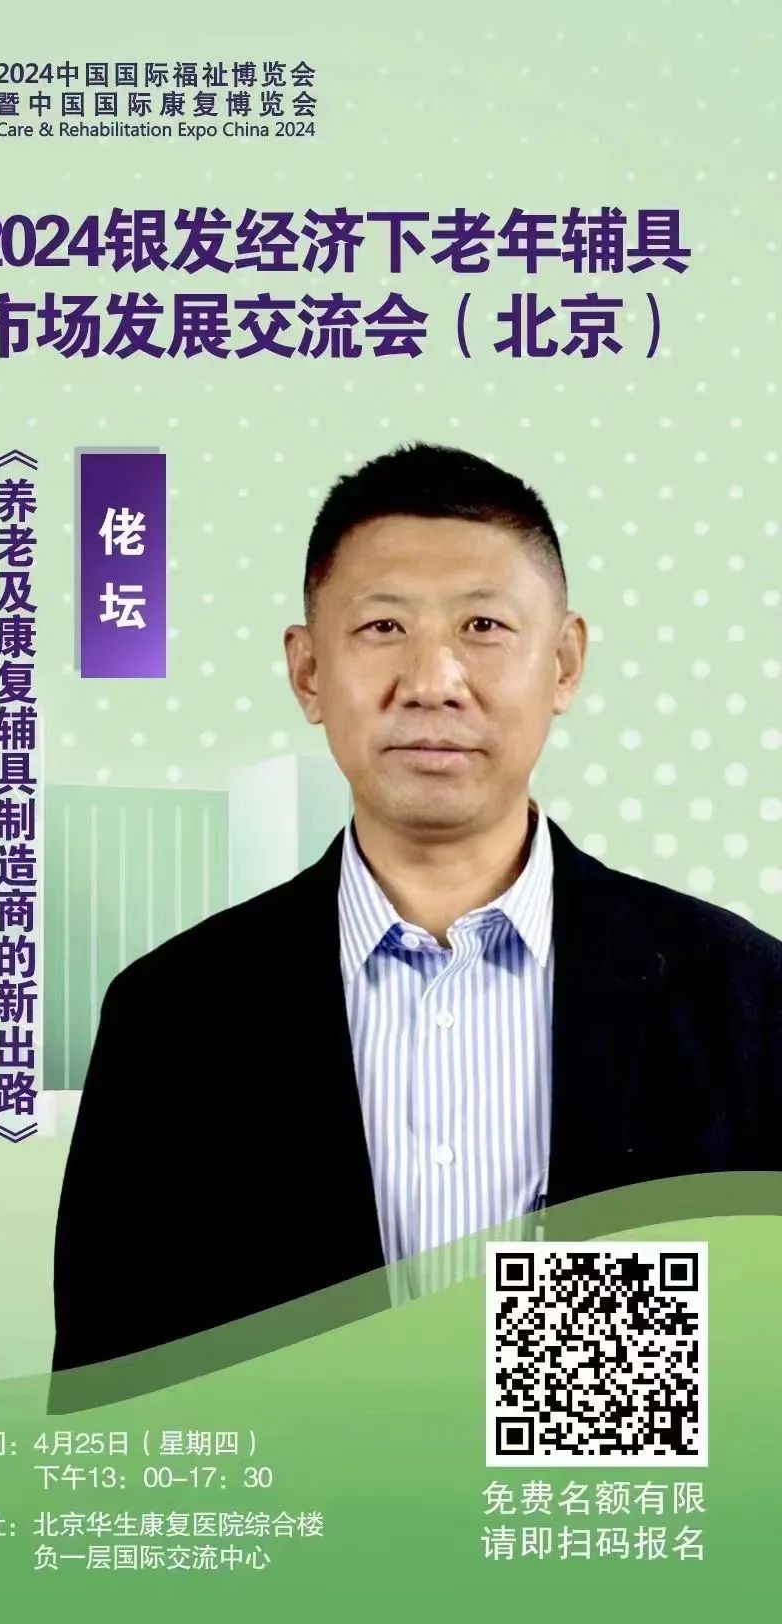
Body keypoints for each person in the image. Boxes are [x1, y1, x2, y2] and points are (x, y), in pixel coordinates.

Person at [50, 442, 781, 1384]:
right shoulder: (172, 1015)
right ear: (308, 673)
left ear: (564, 663)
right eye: (383, 626)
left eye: (483, 625)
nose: (434, 679)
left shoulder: (742, 996)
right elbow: (114, 1400)